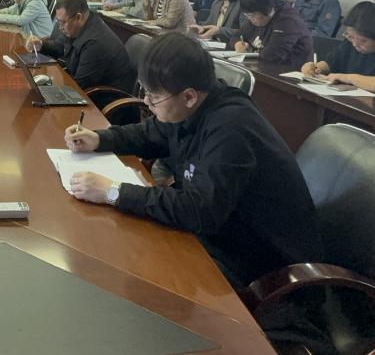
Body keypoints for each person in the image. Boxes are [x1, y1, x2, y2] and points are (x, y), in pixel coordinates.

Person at [64, 32, 322, 288]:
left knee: (130, 270)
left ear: (189, 96)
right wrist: (99, 139)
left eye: (154, 96)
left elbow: (199, 210)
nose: (146, 101)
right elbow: (149, 133)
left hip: (261, 263)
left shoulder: (231, 129)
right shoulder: (191, 106)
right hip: (218, 232)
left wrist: (113, 192)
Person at [27, 0, 135, 95]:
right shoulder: (81, 25)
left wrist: (50, 88)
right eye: (58, 22)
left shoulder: (95, 44)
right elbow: (60, 46)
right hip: (86, 89)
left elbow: (79, 87)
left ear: (78, 17)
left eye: (63, 22)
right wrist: (41, 45)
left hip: (103, 100)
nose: (60, 27)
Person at [233, 0, 313, 69]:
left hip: (289, 72)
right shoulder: (258, 18)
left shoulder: (288, 21)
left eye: (252, 15)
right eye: (248, 15)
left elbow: (271, 55)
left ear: (268, 8)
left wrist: (250, 51)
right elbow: (236, 36)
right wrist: (238, 44)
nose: (251, 19)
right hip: (263, 68)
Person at [302, 2, 375, 92]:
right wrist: (316, 68)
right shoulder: (349, 44)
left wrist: (348, 78)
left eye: (363, 40)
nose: (355, 44)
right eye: (351, 37)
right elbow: (330, 63)